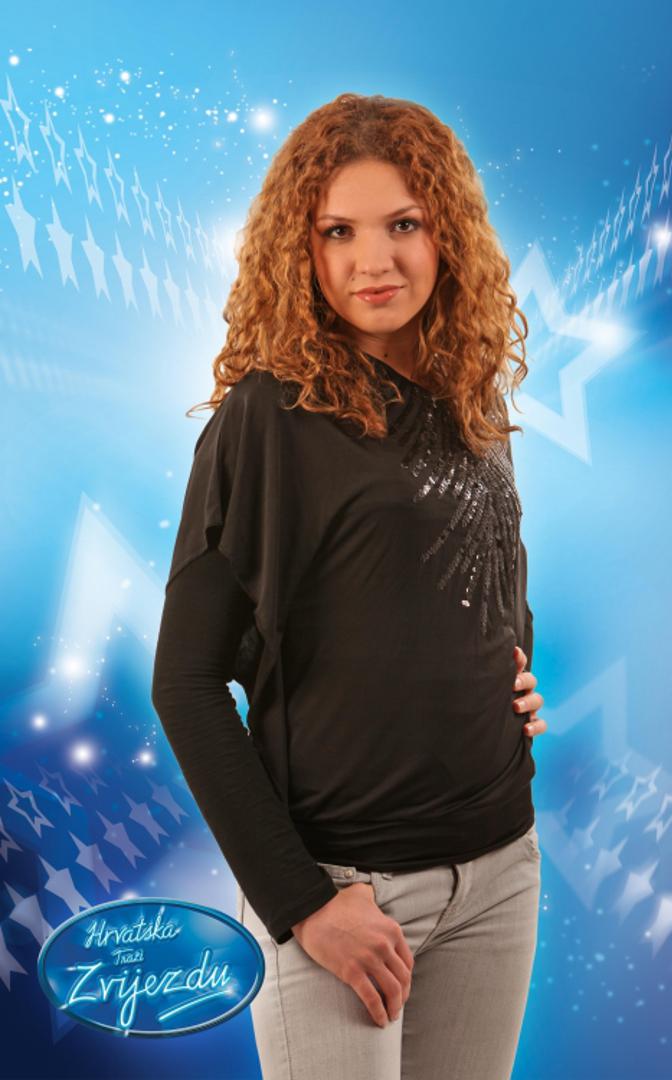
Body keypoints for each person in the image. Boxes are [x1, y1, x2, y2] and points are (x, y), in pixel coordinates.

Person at [152, 92, 547, 1080]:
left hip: (500, 870)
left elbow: (490, 584)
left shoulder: (471, 402)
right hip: (342, 887)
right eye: (339, 231)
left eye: (403, 224)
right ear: (301, 248)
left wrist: (512, 677)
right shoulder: (265, 419)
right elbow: (186, 683)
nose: (375, 261)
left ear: (447, 235)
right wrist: (303, 904)